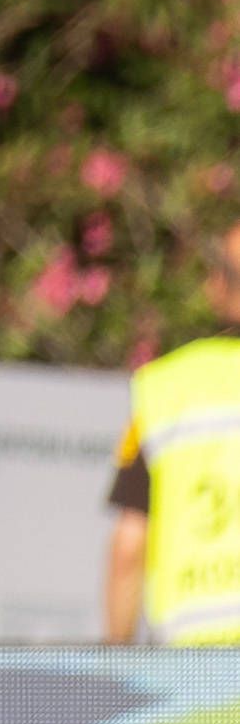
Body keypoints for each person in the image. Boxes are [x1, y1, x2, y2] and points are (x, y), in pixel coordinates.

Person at [104, 219, 240, 645]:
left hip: (192, 668)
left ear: (221, 285)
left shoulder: (167, 389)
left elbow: (130, 547)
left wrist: (116, 658)